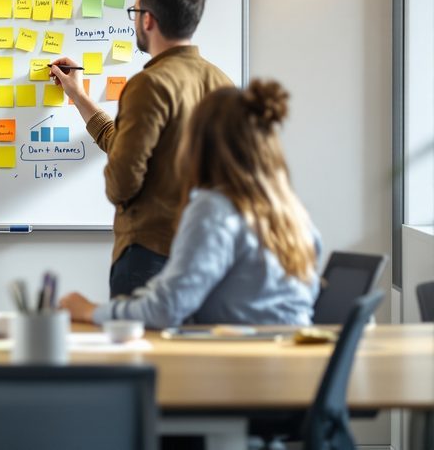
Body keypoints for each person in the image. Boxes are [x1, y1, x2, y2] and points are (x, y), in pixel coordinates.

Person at [59, 80, 322, 328]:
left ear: (201, 144)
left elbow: (166, 308)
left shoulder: (215, 209)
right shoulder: (292, 212)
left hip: (243, 364)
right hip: (292, 359)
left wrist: (89, 310)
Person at [50, 0, 232, 298]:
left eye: (134, 11)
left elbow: (122, 180)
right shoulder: (223, 83)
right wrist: (78, 95)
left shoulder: (150, 84)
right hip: (209, 255)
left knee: (139, 349)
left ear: (148, 20)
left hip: (150, 256)